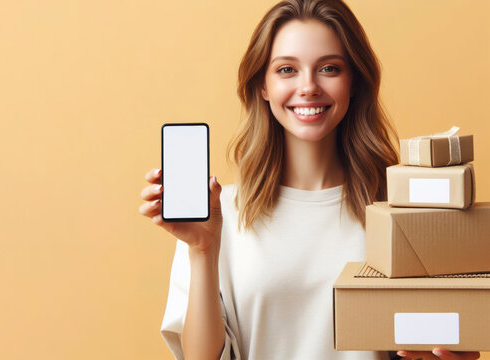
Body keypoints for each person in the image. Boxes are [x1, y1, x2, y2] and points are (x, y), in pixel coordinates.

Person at [139, 0, 481, 359]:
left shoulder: (400, 212)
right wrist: (202, 250)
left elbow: (433, 336)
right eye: (287, 69)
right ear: (262, 85)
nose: (309, 87)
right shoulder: (216, 215)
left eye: (329, 68)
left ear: (354, 83)